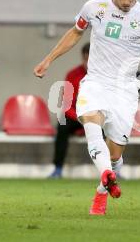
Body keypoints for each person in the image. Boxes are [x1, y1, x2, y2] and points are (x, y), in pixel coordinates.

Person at [34, 0, 140, 215]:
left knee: (115, 156)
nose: (126, 1)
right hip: (96, 82)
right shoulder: (94, 8)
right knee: (91, 122)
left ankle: (105, 182)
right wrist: (49, 59)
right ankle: (105, 177)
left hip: (124, 90)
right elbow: (75, 32)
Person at [48, 43, 89, 178]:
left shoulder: (104, 76)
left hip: (96, 117)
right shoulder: (72, 75)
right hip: (76, 116)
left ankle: (113, 170)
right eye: (86, 59)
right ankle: (58, 169)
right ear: (82, 58)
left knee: (111, 129)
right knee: (62, 127)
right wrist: (80, 118)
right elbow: (66, 105)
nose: (88, 63)